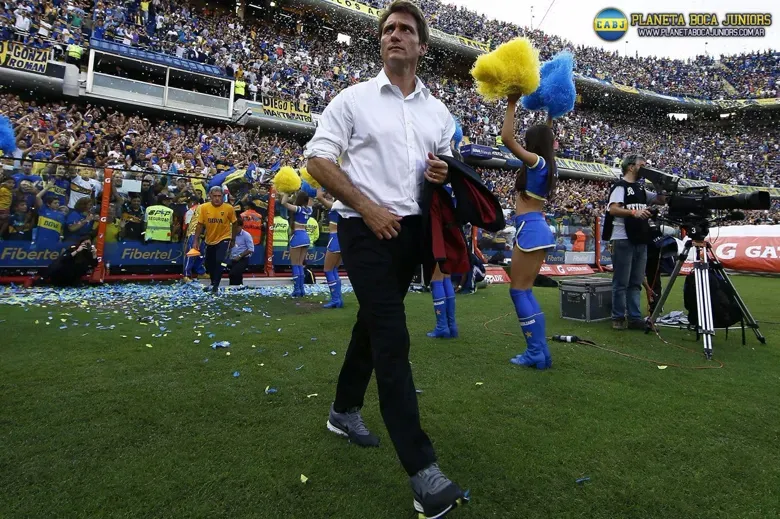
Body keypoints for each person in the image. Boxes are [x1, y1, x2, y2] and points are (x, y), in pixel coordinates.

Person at [304, 2, 467, 517]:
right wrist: (367, 207)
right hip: (363, 228)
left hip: (411, 233)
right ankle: (423, 472)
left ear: (422, 46)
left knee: (371, 326)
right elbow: (316, 159)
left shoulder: (437, 111)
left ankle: (343, 410)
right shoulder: (351, 100)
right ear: (382, 42)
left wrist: (442, 172)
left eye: (407, 30)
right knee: (392, 336)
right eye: (389, 29)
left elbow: (443, 172)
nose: (395, 35)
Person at [500, 96, 558, 370]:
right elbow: (546, 135)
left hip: (531, 230)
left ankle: (536, 352)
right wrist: (551, 111)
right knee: (526, 292)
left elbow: (507, 139)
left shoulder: (536, 162)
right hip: (537, 229)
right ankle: (541, 352)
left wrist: (512, 102)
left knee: (519, 291)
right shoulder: (547, 162)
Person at [602, 154, 666, 330]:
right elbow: (613, 208)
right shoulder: (620, 186)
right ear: (631, 167)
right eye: (642, 165)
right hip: (622, 238)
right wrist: (633, 213)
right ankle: (618, 317)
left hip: (640, 237)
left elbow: (661, 200)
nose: (644, 168)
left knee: (636, 281)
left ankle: (635, 317)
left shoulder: (641, 189)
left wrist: (659, 183)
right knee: (621, 281)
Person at [192, 186, 238, 294]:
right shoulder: (204, 208)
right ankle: (213, 282)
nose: (217, 198)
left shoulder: (229, 208)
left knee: (219, 261)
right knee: (209, 263)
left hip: (224, 238)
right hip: (210, 239)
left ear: (223, 197)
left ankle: (215, 286)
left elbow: (235, 223)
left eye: (219, 196)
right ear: (210, 197)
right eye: (215, 196)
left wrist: (233, 239)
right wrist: (195, 240)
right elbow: (200, 225)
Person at [316, 188, 344, 308]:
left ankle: (335, 299)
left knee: (328, 270)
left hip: (335, 239)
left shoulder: (337, 205)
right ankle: (338, 299)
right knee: (334, 270)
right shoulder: (344, 205)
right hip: (342, 239)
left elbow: (319, 197)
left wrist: (317, 186)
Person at [280, 190, 311, 297]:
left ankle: (297, 289)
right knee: (301, 264)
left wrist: (287, 190)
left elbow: (283, 203)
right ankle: (302, 289)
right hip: (306, 237)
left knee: (295, 264)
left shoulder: (298, 209)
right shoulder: (309, 209)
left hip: (297, 237)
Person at [228, 218, 254, 286]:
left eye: (236, 227)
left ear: (241, 226)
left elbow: (250, 249)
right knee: (236, 275)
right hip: (232, 259)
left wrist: (240, 256)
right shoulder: (230, 235)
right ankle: (237, 288)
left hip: (242, 259)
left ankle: (236, 288)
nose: (235, 229)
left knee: (233, 273)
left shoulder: (246, 235)